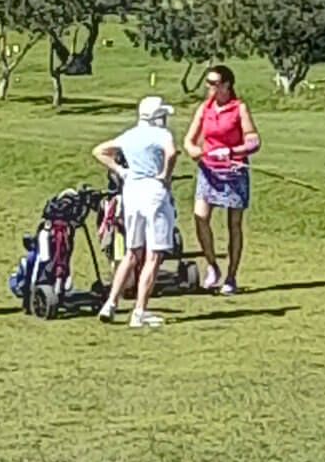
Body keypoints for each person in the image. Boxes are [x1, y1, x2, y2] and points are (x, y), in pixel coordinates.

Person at [94, 96, 180, 328]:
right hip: (154, 192)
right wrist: (166, 175)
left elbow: (100, 151)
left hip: (132, 193)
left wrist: (122, 171)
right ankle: (139, 311)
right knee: (153, 256)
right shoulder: (162, 135)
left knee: (132, 253)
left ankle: (110, 303)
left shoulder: (129, 135)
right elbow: (172, 153)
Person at [184, 64, 260, 295]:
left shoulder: (239, 108)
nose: (209, 87)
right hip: (209, 171)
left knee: (233, 226)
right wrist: (192, 150)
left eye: (214, 83)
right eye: (208, 82)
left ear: (226, 85)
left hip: (233, 172)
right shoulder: (204, 108)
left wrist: (232, 151)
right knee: (201, 217)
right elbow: (189, 139)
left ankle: (231, 276)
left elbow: (254, 141)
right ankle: (212, 265)